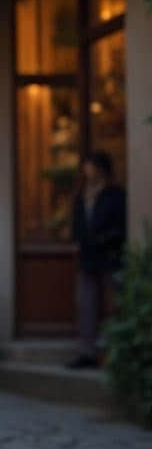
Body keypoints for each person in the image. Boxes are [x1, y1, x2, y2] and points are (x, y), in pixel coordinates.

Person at [68, 151, 127, 369]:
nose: (86, 171)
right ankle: (87, 353)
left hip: (110, 255)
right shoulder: (82, 195)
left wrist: (104, 240)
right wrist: (76, 242)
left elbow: (121, 225)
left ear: (101, 169)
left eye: (90, 166)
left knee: (115, 305)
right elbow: (77, 222)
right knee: (86, 305)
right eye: (85, 167)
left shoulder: (115, 194)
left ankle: (117, 351)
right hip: (87, 257)